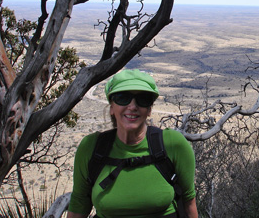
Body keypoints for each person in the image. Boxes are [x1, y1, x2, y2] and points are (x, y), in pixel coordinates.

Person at [67, 69, 198, 218]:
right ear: (111, 107)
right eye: (123, 98)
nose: (133, 106)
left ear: (149, 109)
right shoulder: (92, 148)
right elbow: (79, 204)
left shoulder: (173, 145)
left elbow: (189, 203)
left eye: (143, 99)